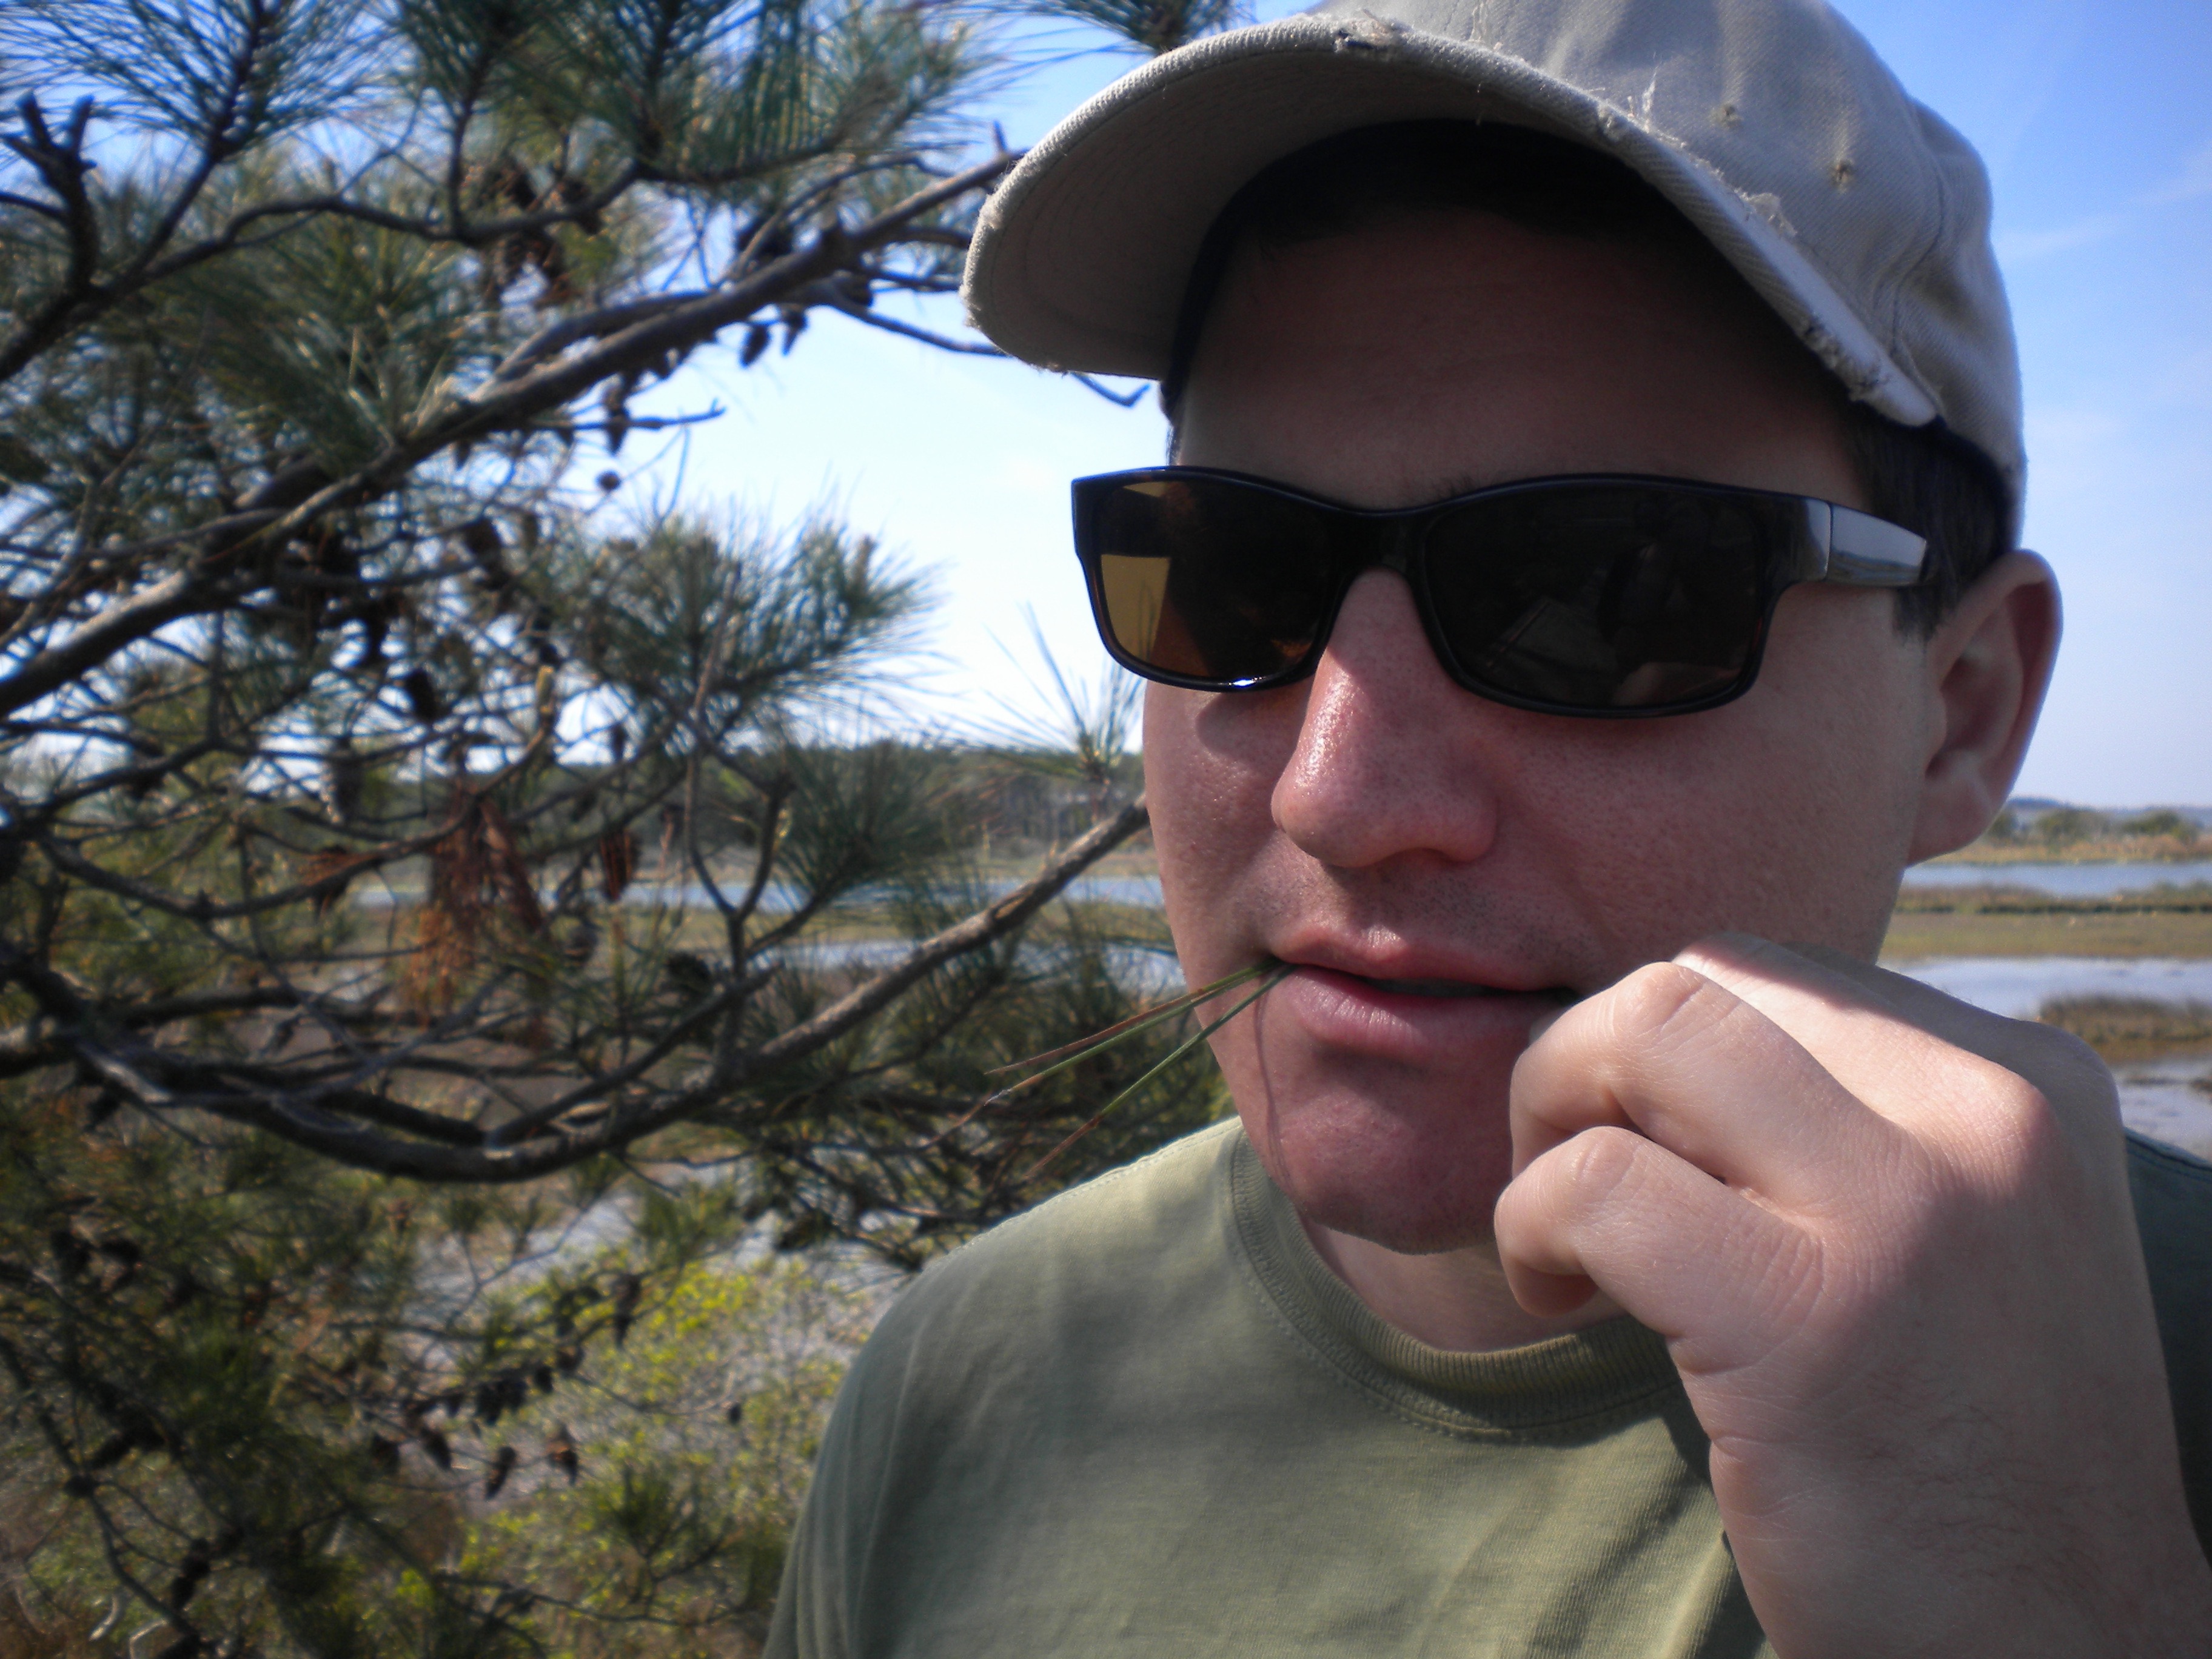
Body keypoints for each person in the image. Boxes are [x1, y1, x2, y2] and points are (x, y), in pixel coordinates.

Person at [766, 1, 2212, 1652]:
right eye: (1236, 571)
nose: (1343, 795)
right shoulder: (963, 1379)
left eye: (1601, 596)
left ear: (1960, 710)